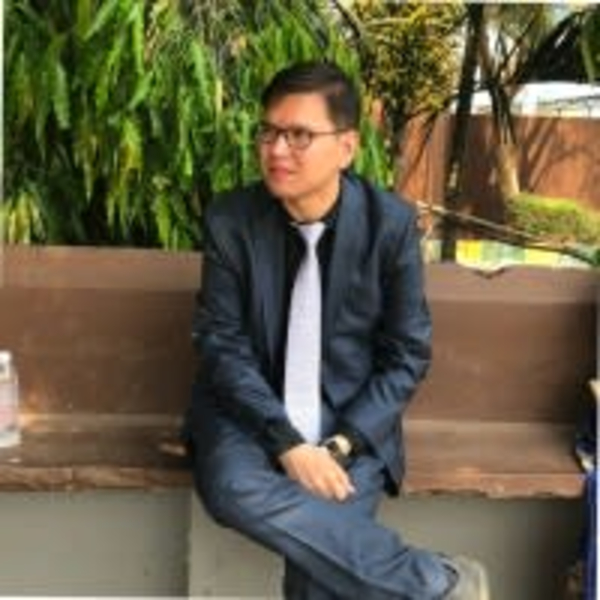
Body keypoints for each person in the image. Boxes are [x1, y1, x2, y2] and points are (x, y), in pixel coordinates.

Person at [184, 60, 490, 600]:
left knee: (317, 577)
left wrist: (342, 443)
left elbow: (406, 354)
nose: (277, 150)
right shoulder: (232, 220)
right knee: (232, 489)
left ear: (346, 147)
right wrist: (287, 443)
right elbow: (222, 345)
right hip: (248, 414)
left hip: (351, 418)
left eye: (299, 135)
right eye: (269, 132)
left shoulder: (389, 225)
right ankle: (438, 582)